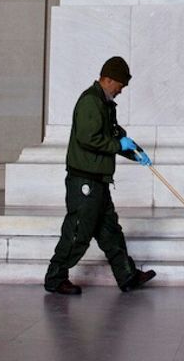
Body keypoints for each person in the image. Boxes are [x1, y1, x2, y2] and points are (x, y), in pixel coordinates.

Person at [43, 56, 156, 295]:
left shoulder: (105, 104)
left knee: (110, 232)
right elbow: (89, 138)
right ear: (108, 79)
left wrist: (135, 152)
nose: (121, 90)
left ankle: (127, 275)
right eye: (120, 85)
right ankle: (55, 278)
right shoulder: (90, 102)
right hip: (84, 181)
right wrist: (118, 145)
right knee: (78, 232)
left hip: (99, 180)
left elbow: (114, 136)